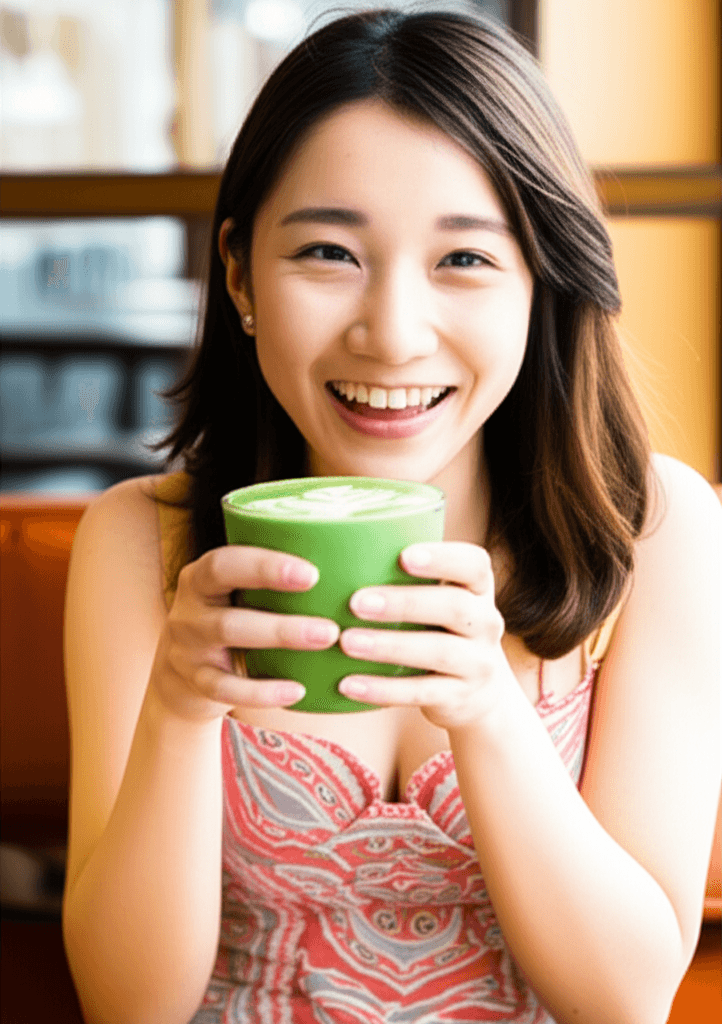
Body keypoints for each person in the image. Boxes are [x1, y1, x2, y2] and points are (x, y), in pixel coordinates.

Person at [62, 9, 721, 1024]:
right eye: (329, 252)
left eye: (464, 260)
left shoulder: (657, 532)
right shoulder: (137, 544)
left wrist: (488, 712)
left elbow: (627, 999)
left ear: (541, 279)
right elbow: (128, 1007)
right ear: (237, 272)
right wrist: (177, 710)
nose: (393, 335)